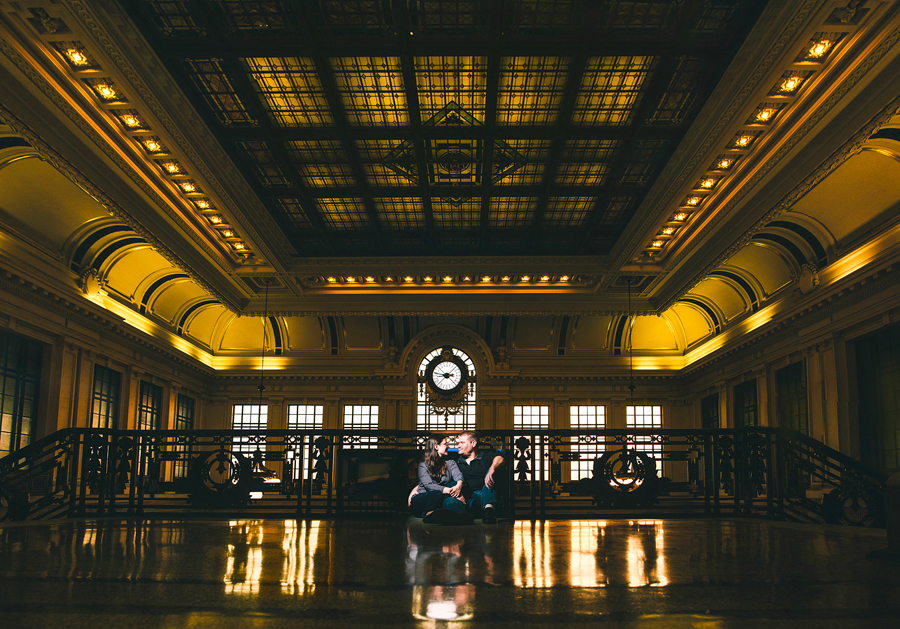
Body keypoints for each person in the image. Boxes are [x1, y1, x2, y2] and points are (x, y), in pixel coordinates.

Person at [409, 435, 474, 525]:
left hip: (441, 499)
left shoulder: (450, 463)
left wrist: (458, 487)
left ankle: (460, 516)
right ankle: (429, 514)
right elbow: (429, 486)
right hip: (423, 501)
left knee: (454, 484)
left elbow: (458, 476)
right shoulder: (422, 465)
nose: (448, 446)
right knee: (437, 492)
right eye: (445, 444)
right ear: (436, 447)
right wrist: (453, 492)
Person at [456, 431, 505, 523]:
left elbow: (500, 458)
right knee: (449, 502)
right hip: (467, 497)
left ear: (473, 443)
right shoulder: (456, 460)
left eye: (462, 443)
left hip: (486, 495)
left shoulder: (486, 455)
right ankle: (464, 515)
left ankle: (488, 512)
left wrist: (492, 469)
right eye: (458, 443)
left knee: (493, 472)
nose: (458, 445)